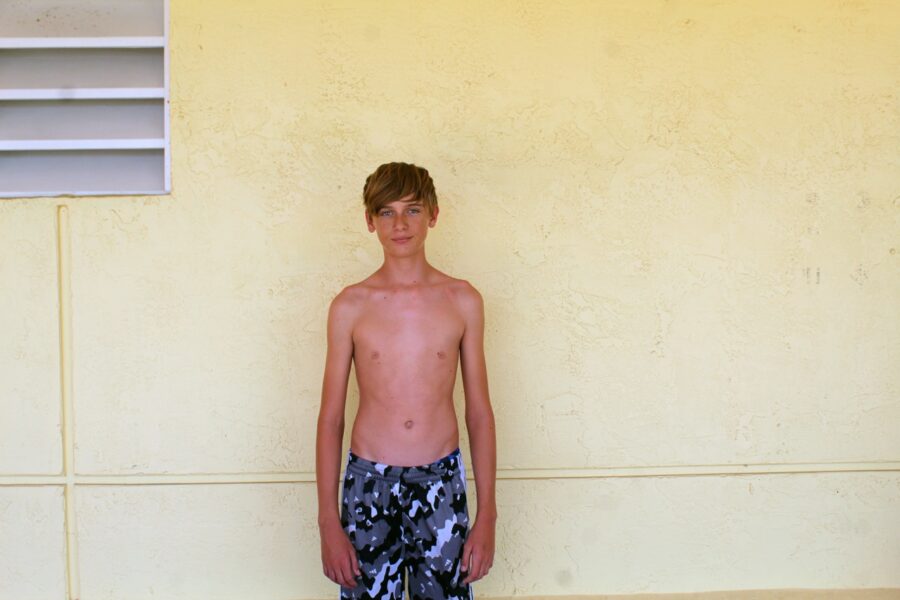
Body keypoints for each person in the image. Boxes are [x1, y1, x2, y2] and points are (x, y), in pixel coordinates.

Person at [316, 162, 497, 599]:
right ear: (369, 220)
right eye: (385, 212)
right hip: (368, 485)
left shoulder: (463, 300)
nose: (399, 224)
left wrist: (488, 514)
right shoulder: (350, 306)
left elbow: (479, 413)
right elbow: (330, 420)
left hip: (440, 479)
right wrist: (328, 523)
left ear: (434, 214)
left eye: (412, 210)